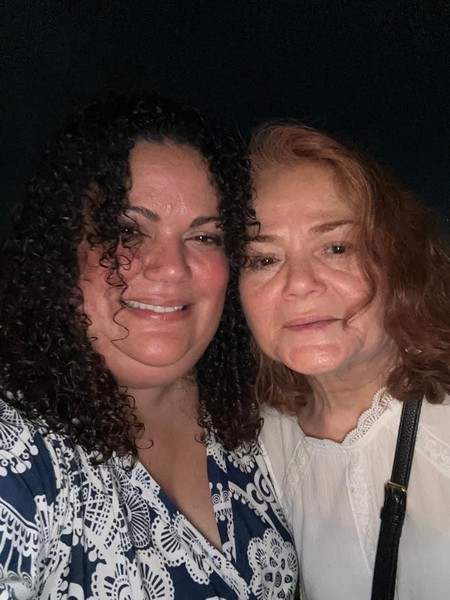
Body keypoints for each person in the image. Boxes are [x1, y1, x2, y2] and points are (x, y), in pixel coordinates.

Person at [0, 93, 297, 599]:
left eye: (205, 237)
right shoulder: (19, 455)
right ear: (61, 249)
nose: (172, 268)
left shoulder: (258, 412)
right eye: (127, 231)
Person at [239, 122, 450, 599]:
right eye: (264, 259)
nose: (299, 283)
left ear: (400, 261)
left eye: (336, 248)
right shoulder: (253, 449)